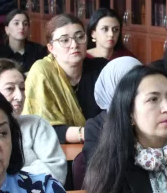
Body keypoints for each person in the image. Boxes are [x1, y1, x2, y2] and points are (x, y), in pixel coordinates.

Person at [0, 59, 67, 183]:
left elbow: (56, 174)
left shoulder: (36, 125)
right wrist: (35, 168)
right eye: (10, 89)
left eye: (22, 88)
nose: (19, 96)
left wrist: (5, 177)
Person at [22, 14, 107, 144]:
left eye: (80, 37)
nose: (74, 45)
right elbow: (43, 129)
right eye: (64, 40)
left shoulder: (101, 68)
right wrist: (87, 133)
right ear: (51, 48)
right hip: (56, 152)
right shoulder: (42, 72)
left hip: (101, 147)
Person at [83, 56, 142, 164]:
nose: (134, 89)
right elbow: (98, 171)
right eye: (127, 84)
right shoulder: (96, 126)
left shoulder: (151, 115)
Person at [0, 9, 48, 74]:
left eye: (25, 24)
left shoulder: (39, 50)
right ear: (7, 29)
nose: (21, 27)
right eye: (16, 23)